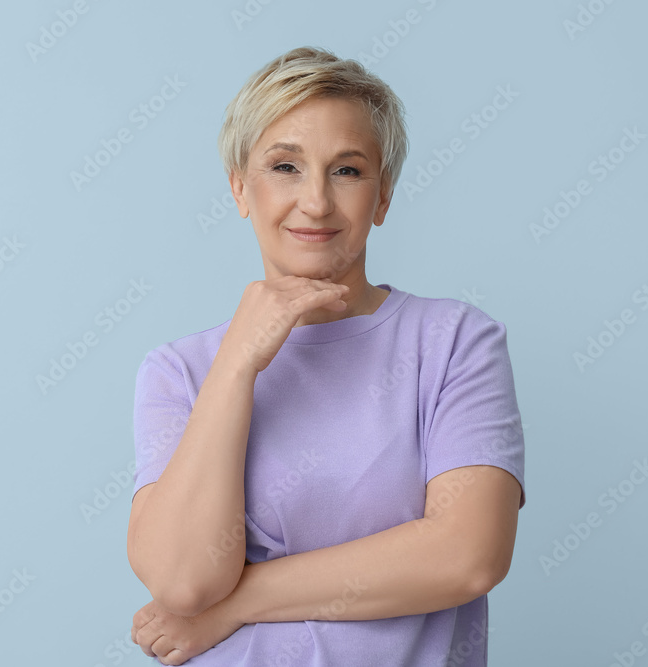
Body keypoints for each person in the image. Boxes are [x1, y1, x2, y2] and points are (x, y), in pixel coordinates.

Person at [126, 45, 525, 666]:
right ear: (239, 187)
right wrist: (237, 364)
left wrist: (234, 604)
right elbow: (183, 584)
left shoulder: (452, 342)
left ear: (383, 196)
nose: (315, 202)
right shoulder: (179, 371)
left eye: (347, 170)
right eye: (284, 166)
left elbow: (467, 555)